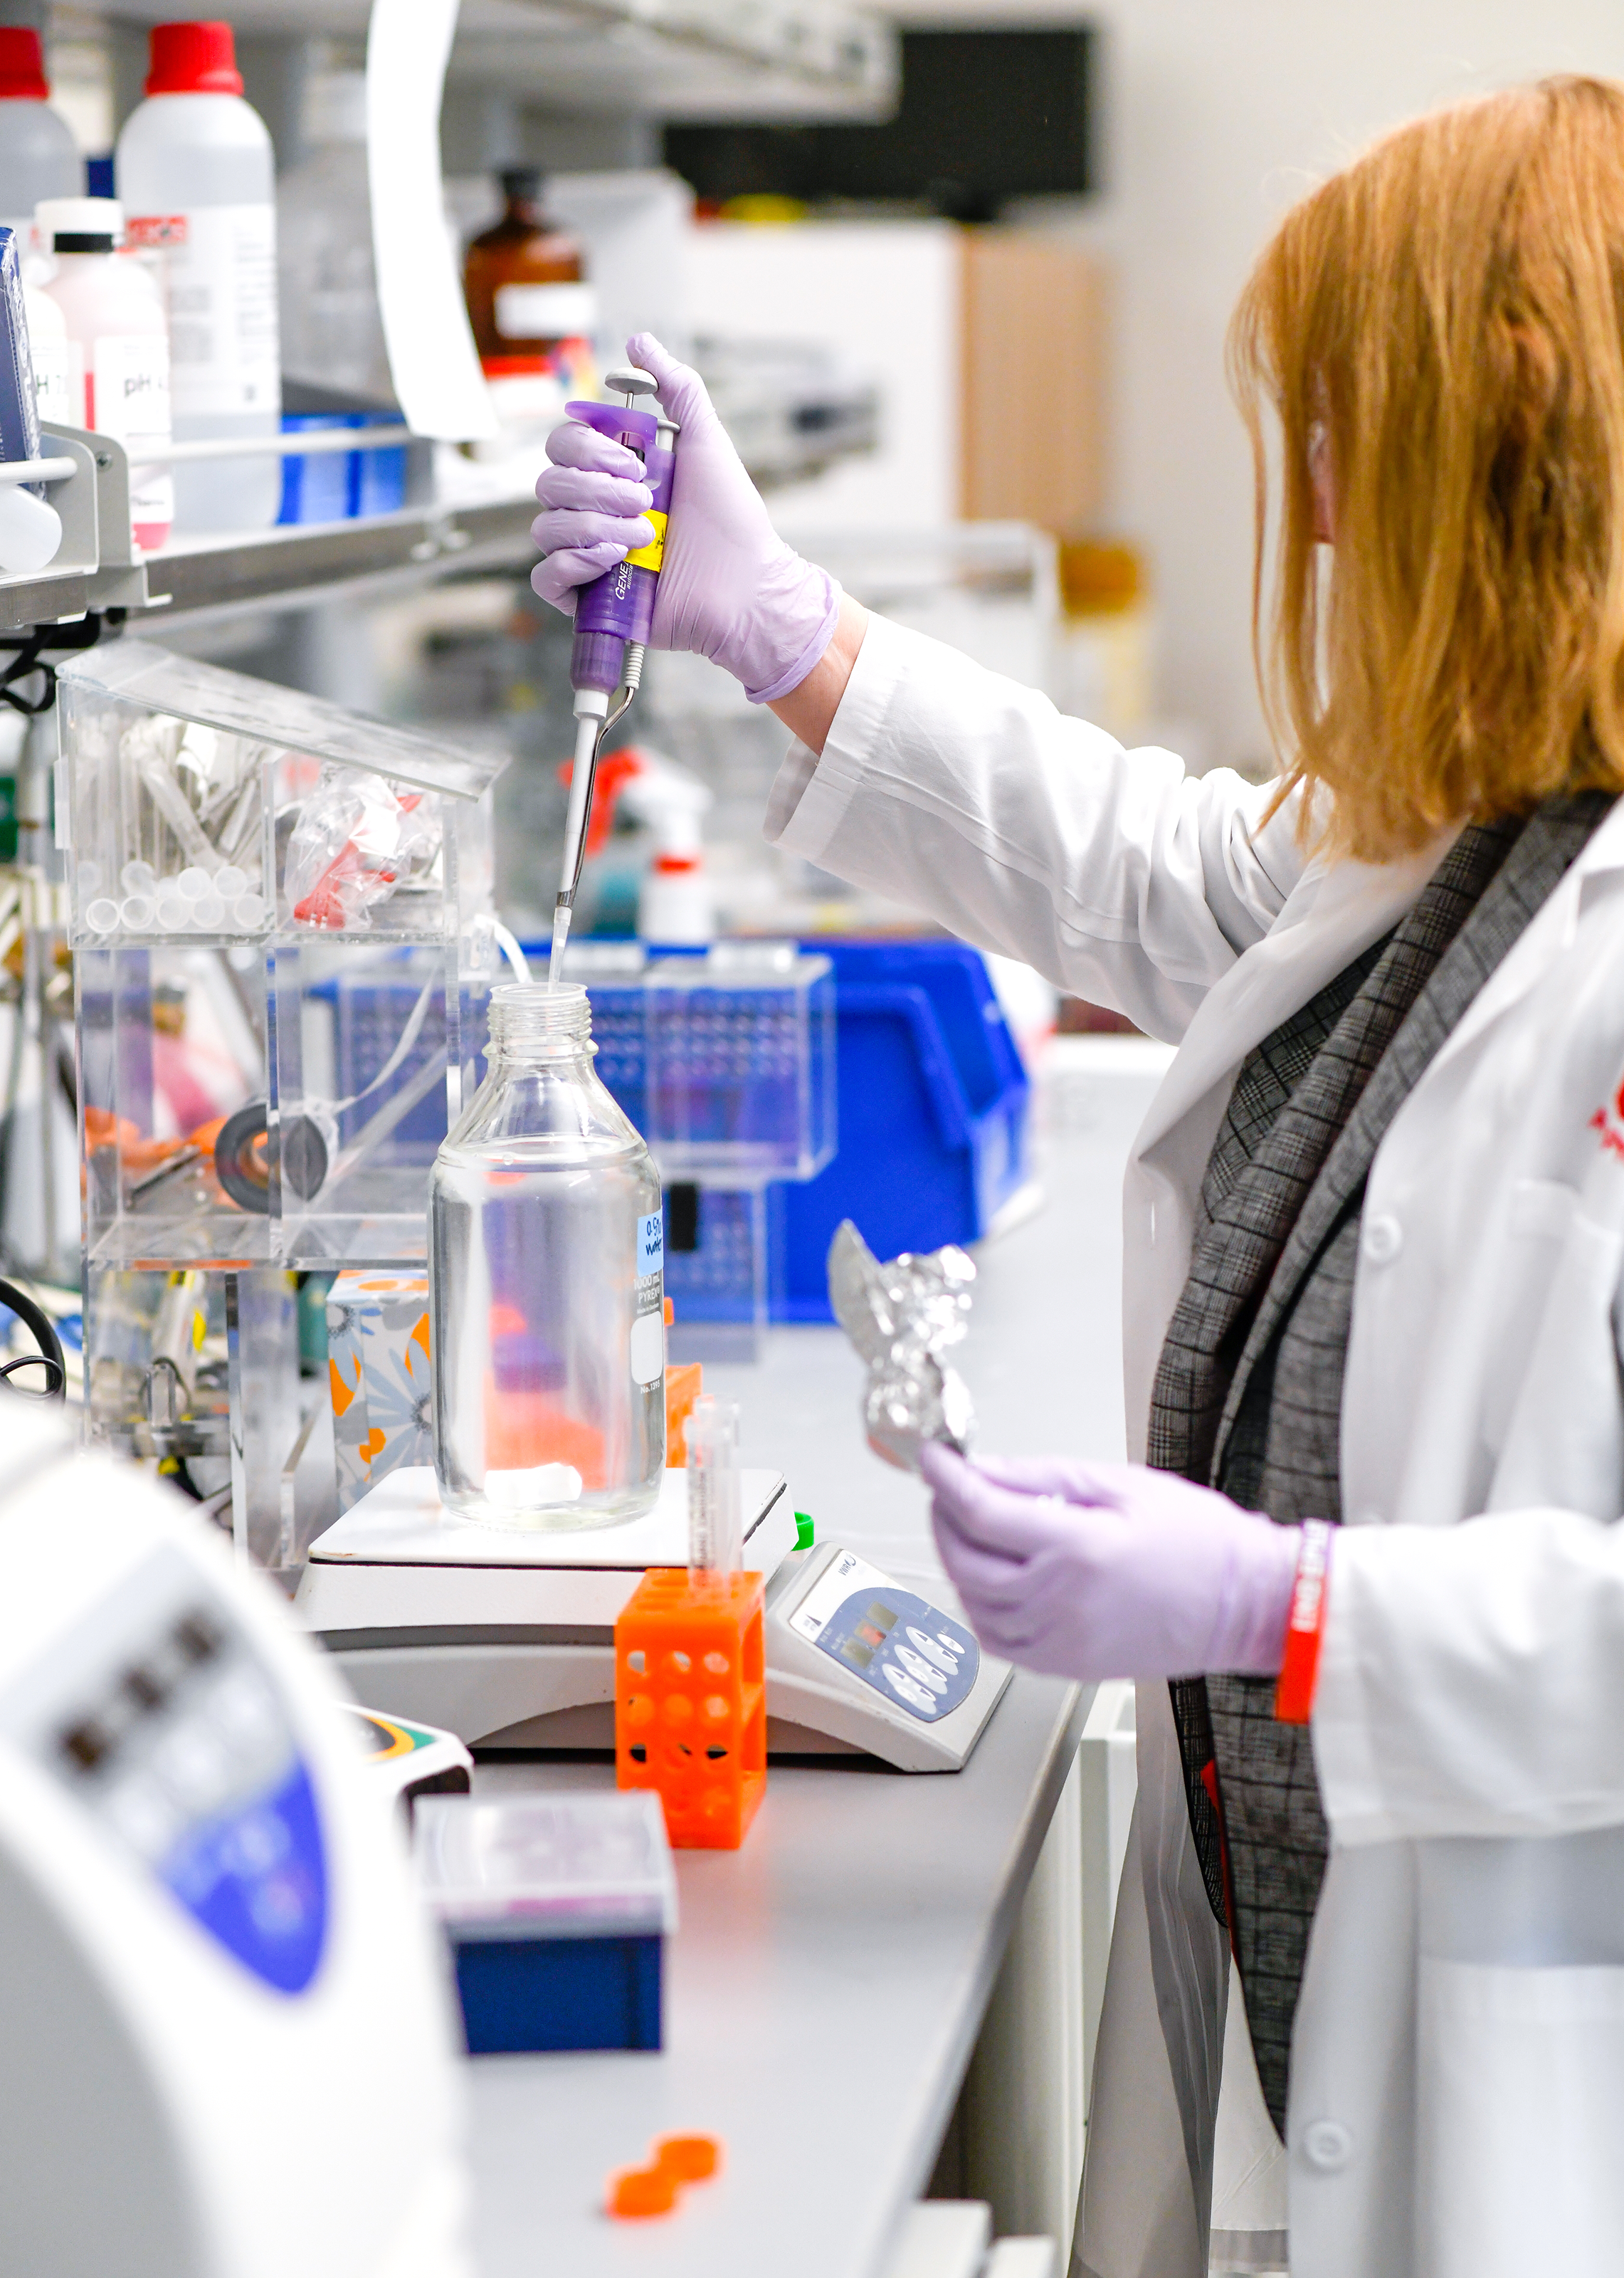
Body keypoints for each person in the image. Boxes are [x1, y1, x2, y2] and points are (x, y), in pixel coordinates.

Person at [530, 78, 1624, 2278]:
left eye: (1344, 432)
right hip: (1291, 1962)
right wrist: (781, 629)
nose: (1310, 508)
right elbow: (1159, 872)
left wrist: (1278, 1609)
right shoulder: (1458, 839)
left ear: (1506, 459)